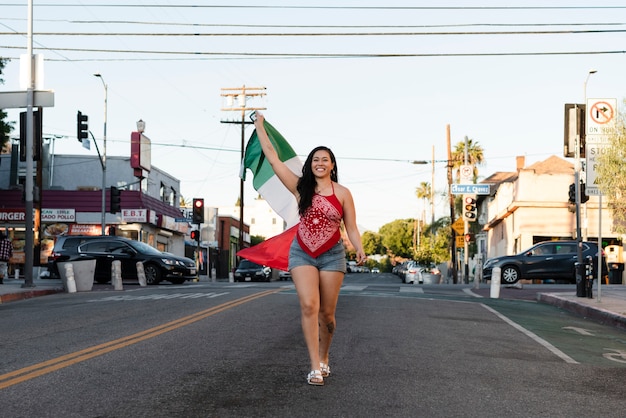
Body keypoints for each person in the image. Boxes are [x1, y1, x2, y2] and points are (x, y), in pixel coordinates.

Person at [253, 112, 366, 386]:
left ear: (332, 165)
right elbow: (272, 157)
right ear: (310, 164)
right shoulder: (300, 187)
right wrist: (259, 126)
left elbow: (350, 226)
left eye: (324, 159)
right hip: (302, 252)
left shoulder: (342, 193)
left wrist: (359, 247)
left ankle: (325, 356)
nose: (319, 163)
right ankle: (314, 366)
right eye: (315, 159)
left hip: (332, 255)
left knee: (327, 315)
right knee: (308, 305)